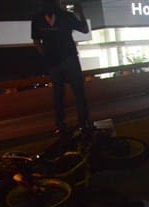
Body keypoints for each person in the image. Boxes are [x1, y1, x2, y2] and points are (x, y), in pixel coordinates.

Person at [31, 0, 91, 136]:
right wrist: (80, 11)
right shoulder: (66, 16)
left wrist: (46, 55)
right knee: (79, 92)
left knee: (58, 94)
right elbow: (85, 29)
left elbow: (36, 41)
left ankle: (60, 125)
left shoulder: (37, 19)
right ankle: (84, 123)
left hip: (52, 61)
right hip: (69, 58)